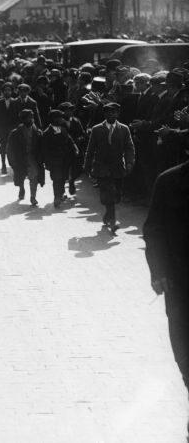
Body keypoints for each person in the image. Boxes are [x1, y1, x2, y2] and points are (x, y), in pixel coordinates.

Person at [143, 155, 189, 420]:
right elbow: (154, 229)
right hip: (181, 285)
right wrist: (159, 271)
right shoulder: (169, 182)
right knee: (184, 350)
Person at [83, 102, 135, 232]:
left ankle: (107, 214)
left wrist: (129, 162)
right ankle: (112, 220)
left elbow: (129, 147)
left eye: (114, 112)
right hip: (102, 166)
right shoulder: (96, 129)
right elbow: (90, 150)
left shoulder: (124, 129)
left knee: (117, 195)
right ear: (104, 114)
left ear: (118, 114)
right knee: (108, 193)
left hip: (118, 166)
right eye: (108, 112)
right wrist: (87, 166)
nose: (111, 114)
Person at [41, 109, 78, 208]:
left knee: (62, 178)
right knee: (56, 178)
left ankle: (61, 193)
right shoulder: (47, 133)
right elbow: (44, 149)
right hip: (54, 161)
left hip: (65, 159)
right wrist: (46, 162)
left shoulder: (63, 129)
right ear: (53, 119)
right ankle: (56, 197)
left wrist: (75, 148)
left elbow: (70, 140)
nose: (62, 119)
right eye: (59, 118)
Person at [7, 109, 44, 206]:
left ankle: (33, 197)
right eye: (28, 118)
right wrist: (12, 162)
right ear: (23, 120)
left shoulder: (38, 132)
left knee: (34, 176)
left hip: (33, 158)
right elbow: (9, 149)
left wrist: (42, 159)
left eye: (32, 117)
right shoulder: (15, 133)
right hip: (20, 158)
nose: (31, 120)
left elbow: (42, 147)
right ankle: (21, 188)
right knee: (21, 176)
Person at [0, 82, 19, 174]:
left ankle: (14, 165)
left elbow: (17, 117)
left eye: (9, 90)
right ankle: (3, 165)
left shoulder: (15, 102)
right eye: (5, 90)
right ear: (3, 92)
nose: (7, 92)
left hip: (12, 130)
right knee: (3, 148)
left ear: (11, 92)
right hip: (2, 130)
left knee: (13, 148)